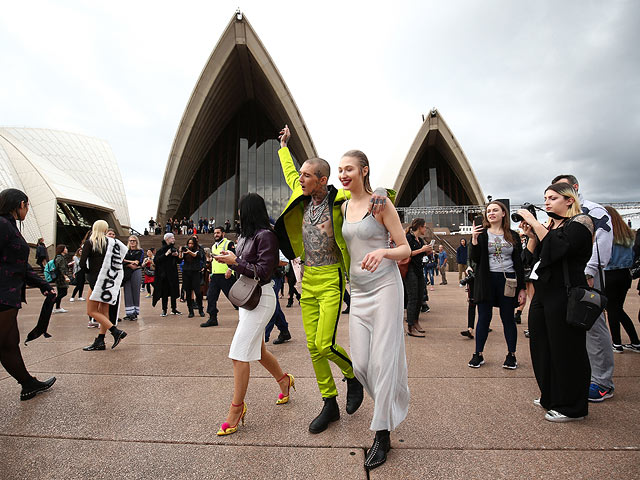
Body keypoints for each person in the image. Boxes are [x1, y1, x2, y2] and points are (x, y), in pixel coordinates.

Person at [275, 125, 389, 434]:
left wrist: (380, 196)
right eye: (300, 175)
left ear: (322, 180)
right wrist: (284, 146)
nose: (300, 179)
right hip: (307, 278)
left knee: (325, 343)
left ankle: (352, 377)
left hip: (331, 278)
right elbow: (289, 173)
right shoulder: (301, 196)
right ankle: (330, 403)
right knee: (313, 347)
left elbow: (365, 196)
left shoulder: (338, 204)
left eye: (307, 176)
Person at [339, 150, 411, 470]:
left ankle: (381, 434)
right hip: (359, 293)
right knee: (361, 365)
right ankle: (391, 403)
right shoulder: (342, 206)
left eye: (349, 169)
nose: (343, 174)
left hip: (385, 289)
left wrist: (383, 251)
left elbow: (405, 249)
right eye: (340, 169)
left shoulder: (381, 204)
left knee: (383, 362)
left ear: (364, 171)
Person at [214, 193, 294, 436]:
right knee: (258, 351)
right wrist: (231, 264)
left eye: (240, 210)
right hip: (248, 297)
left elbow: (264, 270)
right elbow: (244, 264)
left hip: (261, 297)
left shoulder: (266, 235)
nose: (238, 215)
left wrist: (235, 262)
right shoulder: (245, 236)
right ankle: (284, 380)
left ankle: (237, 408)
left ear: (248, 211)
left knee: (239, 354)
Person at [518, 182, 593, 422]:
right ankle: (551, 395)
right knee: (542, 347)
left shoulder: (581, 223)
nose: (547, 202)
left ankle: (573, 406)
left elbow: (560, 248)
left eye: (552, 198)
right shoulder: (550, 227)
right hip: (544, 292)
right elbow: (529, 260)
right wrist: (531, 236)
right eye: (545, 198)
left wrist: (536, 223)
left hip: (566, 292)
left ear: (569, 200)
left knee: (566, 349)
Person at [553, 174, 614, 402]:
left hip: (585, 274)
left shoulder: (593, 211)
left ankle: (602, 382)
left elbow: (602, 243)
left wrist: (590, 272)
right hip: (564, 276)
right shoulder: (560, 215)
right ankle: (582, 374)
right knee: (570, 325)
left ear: (575, 188)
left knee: (593, 326)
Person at [0, 188, 57, 400]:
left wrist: (42, 284)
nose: (28, 210)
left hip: (9, 293)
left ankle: (28, 383)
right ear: (20, 204)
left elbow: (20, 266)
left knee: (8, 343)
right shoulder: (3, 225)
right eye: (27, 206)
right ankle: (27, 382)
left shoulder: (9, 226)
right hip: (3, 294)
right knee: (3, 342)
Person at [468, 201, 526, 369]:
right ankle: (478, 354)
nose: (491, 213)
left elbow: (519, 263)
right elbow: (476, 259)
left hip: (508, 280)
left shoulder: (513, 235)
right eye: (489, 211)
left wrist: (522, 288)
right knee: (484, 317)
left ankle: (511, 355)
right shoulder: (483, 234)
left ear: (503, 214)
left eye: (495, 210)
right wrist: (474, 240)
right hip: (486, 280)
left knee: (508, 318)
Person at [80, 220, 128, 351]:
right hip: (108, 280)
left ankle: (116, 332)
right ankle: (100, 340)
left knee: (91, 311)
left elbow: (82, 263)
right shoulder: (111, 243)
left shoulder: (91, 242)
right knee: (103, 311)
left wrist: (89, 273)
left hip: (95, 280)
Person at [603, 206, 639, 352]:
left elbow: (605, 258)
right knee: (617, 308)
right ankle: (635, 341)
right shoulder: (628, 234)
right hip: (625, 275)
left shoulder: (607, 234)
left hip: (609, 274)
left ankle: (617, 343)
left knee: (612, 309)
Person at [202, 227, 237, 327]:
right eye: (214, 233)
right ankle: (212, 318)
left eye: (218, 233)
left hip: (226, 275)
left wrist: (230, 269)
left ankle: (246, 314)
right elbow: (214, 261)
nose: (216, 235)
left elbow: (234, 257)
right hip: (215, 275)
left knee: (234, 298)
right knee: (211, 297)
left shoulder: (228, 243)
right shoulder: (213, 246)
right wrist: (211, 273)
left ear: (223, 233)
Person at [405, 218, 430, 337]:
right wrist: (422, 249)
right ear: (419, 227)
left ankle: (416, 322)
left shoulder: (420, 240)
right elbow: (406, 253)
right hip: (410, 270)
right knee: (413, 298)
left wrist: (427, 251)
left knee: (420, 297)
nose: (425, 229)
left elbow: (420, 253)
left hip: (419, 270)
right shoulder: (408, 238)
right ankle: (410, 326)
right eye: (424, 227)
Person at [265, 250, 291, 344]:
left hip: (274, 277)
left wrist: (265, 261)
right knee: (274, 305)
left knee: (271, 306)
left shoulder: (275, 241)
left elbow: (284, 261)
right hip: (262, 277)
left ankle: (264, 337)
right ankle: (284, 331)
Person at [153, 233, 182, 317]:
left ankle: (174, 309)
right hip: (164, 275)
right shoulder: (161, 250)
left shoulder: (174, 249)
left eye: (174, 238)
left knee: (173, 292)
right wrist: (166, 254)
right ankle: (164, 309)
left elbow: (179, 261)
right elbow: (156, 261)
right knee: (164, 293)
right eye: (172, 238)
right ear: (167, 239)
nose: (174, 239)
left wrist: (177, 255)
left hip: (172, 274)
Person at [122, 235, 144, 320]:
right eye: (130, 240)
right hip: (127, 272)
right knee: (127, 291)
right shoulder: (125, 251)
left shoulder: (140, 251)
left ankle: (135, 313)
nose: (132, 242)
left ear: (137, 242)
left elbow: (137, 263)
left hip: (136, 272)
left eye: (134, 241)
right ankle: (129, 313)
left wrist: (127, 262)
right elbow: (122, 261)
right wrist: (130, 263)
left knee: (135, 291)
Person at [182, 236, 205, 318]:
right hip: (186, 272)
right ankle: (190, 311)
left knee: (197, 292)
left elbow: (197, 256)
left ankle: (200, 309)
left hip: (195, 272)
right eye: (189, 243)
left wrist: (189, 252)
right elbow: (180, 260)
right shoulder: (185, 250)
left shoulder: (199, 249)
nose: (190, 245)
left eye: (191, 243)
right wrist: (180, 253)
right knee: (188, 292)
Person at [52, 245, 70, 313]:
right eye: (65, 248)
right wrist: (65, 276)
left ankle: (57, 307)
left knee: (60, 293)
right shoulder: (61, 258)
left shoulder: (58, 257)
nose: (66, 249)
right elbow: (62, 268)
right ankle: (51, 304)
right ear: (62, 250)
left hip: (59, 277)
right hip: (61, 278)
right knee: (63, 292)